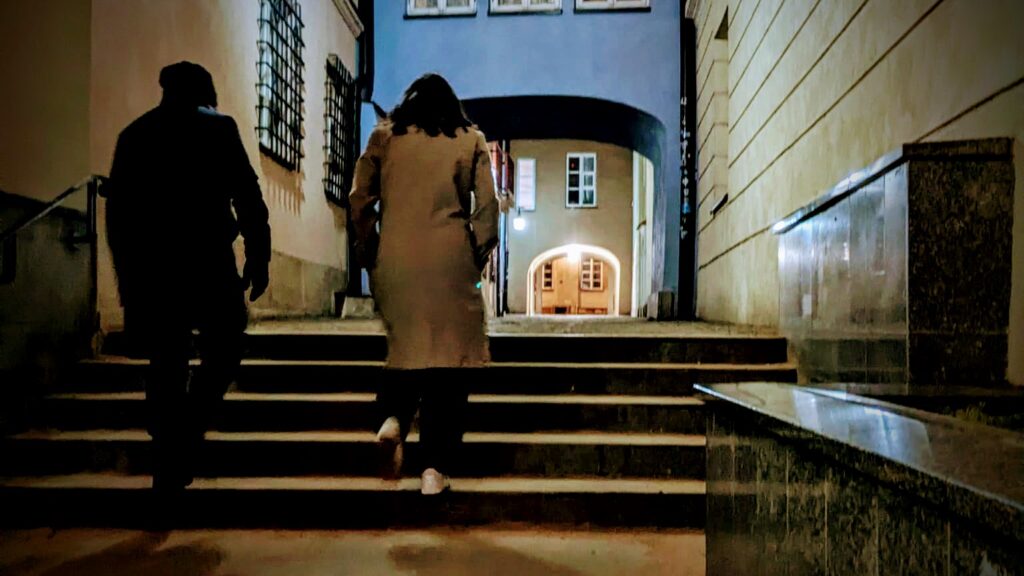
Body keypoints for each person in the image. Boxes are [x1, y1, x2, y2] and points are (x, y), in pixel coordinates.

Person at [106, 61, 271, 492]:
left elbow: (117, 214)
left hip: (154, 267)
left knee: (166, 360)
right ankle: (188, 427)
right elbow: (248, 194)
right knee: (227, 345)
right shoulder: (219, 130)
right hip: (207, 260)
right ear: (205, 90)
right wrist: (259, 256)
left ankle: (168, 449)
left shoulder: (134, 135)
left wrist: (127, 275)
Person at [349, 73, 500, 495]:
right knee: (448, 364)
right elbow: (487, 208)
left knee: (406, 348)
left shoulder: (383, 138)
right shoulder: (471, 139)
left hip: (396, 258)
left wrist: (372, 250)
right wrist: (476, 251)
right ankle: (434, 468)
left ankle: (392, 419)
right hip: (450, 258)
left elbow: (359, 200)